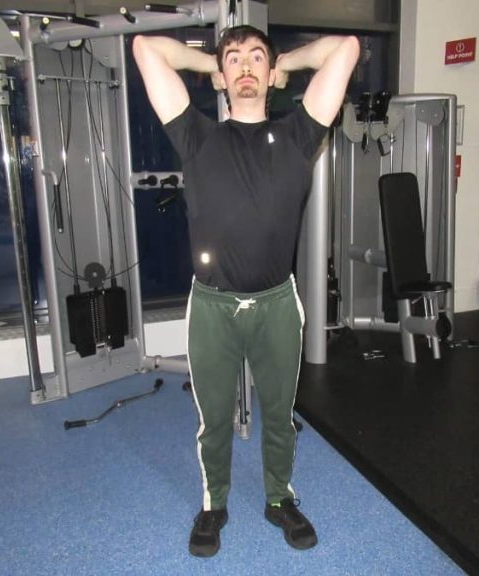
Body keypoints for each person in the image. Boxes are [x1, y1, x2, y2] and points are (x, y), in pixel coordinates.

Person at [132, 26, 360, 557]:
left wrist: (288, 62)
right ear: (223, 76)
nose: (246, 67)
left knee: (279, 415)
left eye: (257, 58)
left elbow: (345, 48)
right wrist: (203, 63)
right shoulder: (197, 136)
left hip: (278, 305)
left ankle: (279, 499)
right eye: (234, 60)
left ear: (271, 74)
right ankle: (214, 506)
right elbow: (145, 48)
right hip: (211, 307)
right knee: (213, 419)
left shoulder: (301, 134)